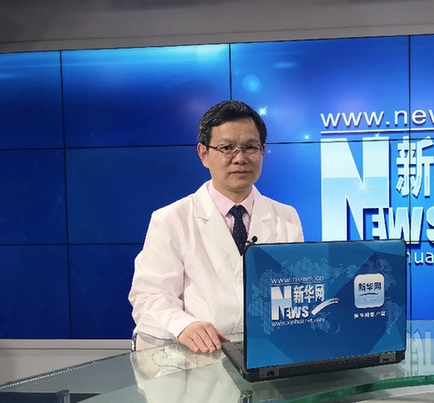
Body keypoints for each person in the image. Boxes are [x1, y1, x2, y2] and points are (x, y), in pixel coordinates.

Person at [129, 100, 304, 353]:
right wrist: (184, 325)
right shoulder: (170, 219)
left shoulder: (287, 217)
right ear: (204, 154)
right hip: (198, 357)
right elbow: (149, 296)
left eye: (250, 147)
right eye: (227, 148)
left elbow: (295, 293)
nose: (240, 158)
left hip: (267, 353)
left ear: (263, 152)